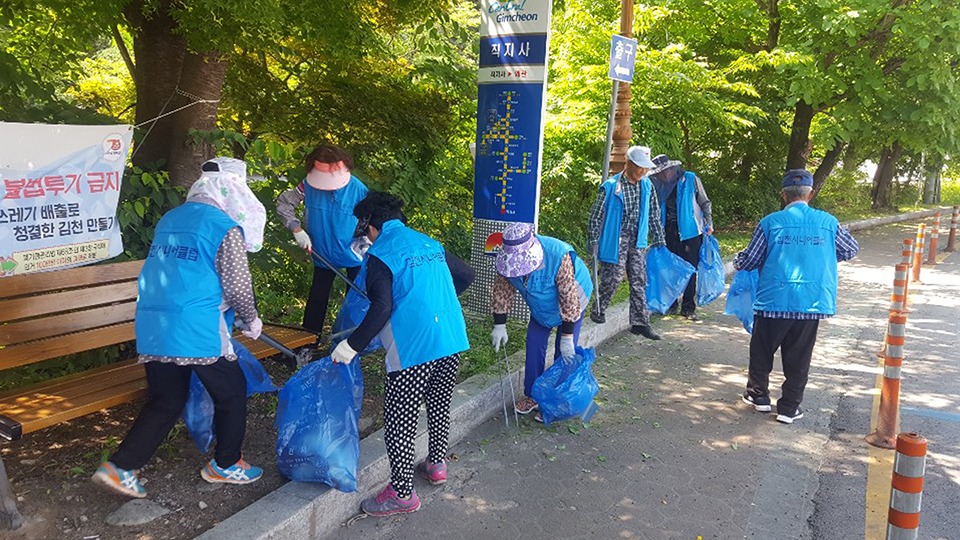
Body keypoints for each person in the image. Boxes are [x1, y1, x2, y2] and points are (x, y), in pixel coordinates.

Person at [92, 157, 267, 498]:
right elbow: (237, 286)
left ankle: (121, 467)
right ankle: (227, 464)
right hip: (197, 327)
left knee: (167, 398)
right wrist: (251, 318)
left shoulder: (170, 218)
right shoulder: (223, 226)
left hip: (154, 324)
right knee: (232, 392)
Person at [330, 192, 474, 516]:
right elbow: (466, 275)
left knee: (399, 419)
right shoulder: (429, 243)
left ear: (370, 225)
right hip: (450, 337)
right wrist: (438, 304)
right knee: (439, 404)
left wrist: (349, 347)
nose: (363, 235)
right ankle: (437, 464)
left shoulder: (382, 254)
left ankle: (403, 493)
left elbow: (381, 308)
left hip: (414, 348)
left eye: (362, 229)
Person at [735, 169, 859, 424]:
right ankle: (789, 408)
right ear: (810, 194)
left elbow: (752, 258)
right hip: (810, 302)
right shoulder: (828, 223)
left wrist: (738, 261)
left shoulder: (770, 222)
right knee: (799, 355)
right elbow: (850, 250)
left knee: (762, 349)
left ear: (783, 196)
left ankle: (758, 397)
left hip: (773, 299)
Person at [490, 223, 593, 418]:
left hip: (574, 298)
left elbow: (568, 298)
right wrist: (499, 324)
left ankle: (556, 401)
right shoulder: (505, 262)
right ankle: (534, 396)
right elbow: (502, 292)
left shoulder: (557, 255)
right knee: (534, 343)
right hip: (541, 308)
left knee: (564, 354)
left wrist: (567, 336)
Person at [276, 144, 368, 339]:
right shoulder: (307, 185)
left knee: (355, 299)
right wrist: (296, 229)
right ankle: (308, 341)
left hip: (354, 254)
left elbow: (372, 222)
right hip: (323, 252)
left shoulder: (359, 190)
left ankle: (352, 342)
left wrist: (363, 244)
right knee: (317, 297)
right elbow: (285, 203)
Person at [587, 145, 667, 340]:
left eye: (646, 168)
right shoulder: (610, 186)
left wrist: (658, 236)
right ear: (628, 164)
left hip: (638, 238)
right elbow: (595, 217)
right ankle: (598, 308)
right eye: (640, 167)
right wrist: (593, 241)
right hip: (616, 237)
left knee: (639, 280)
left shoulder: (647, 186)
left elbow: (654, 213)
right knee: (613, 278)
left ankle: (640, 323)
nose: (644, 171)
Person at [649, 154, 714, 320]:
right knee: (671, 268)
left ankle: (688, 307)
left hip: (690, 232)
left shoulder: (690, 179)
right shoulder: (660, 185)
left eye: (664, 171)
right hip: (669, 230)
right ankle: (671, 304)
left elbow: (704, 202)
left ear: (671, 169)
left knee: (691, 268)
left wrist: (709, 223)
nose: (662, 175)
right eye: (659, 173)